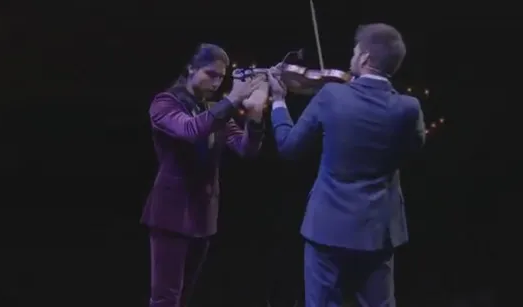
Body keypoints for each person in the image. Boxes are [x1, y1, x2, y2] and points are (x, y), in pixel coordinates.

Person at [266, 24, 426, 306]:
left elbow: (289, 147)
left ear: (364, 58)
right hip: (380, 230)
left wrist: (279, 101)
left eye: (355, 52)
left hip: (327, 227)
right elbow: (412, 150)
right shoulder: (408, 108)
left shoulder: (331, 96)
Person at [141, 43, 269, 307]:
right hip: (171, 214)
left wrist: (255, 119)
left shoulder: (213, 109)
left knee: (185, 295)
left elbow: (245, 149)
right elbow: (190, 130)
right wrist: (232, 99)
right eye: (211, 74)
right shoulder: (165, 102)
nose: (216, 82)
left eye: (221, 77)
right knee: (165, 298)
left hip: (202, 213)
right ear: (191, 68)